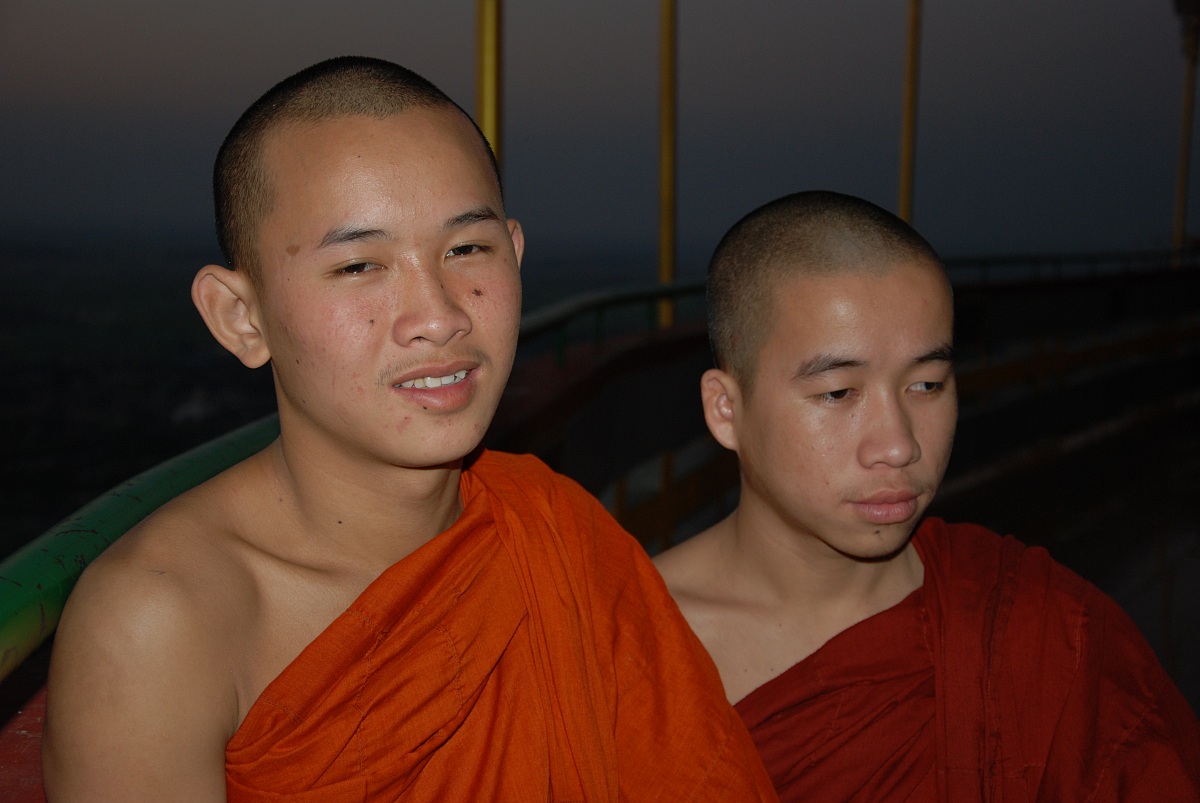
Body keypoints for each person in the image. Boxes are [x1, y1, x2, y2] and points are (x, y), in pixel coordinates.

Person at [41, 56, 777, 802]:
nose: (440, 315)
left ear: (516, 255)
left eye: (467, 249)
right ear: (241, 317)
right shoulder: (163, 620)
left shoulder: (558, 534)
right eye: (360, 265)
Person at [653, 190, 1200, 801]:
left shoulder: (1037, 630)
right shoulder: (625, 645)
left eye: (928, 384)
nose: (899, 445)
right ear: (726, 410)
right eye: (838, 393)